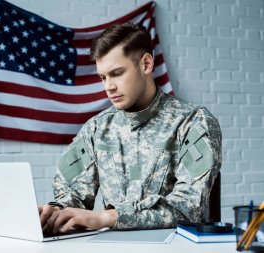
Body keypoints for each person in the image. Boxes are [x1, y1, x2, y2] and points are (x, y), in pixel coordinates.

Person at [39, 22, 222, 234]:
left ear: (146, 64)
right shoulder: (97, 128)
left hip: (176, 246)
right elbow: (72, 197)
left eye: (117, 73)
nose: (109, 86)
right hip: (112, 247)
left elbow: (188, 208)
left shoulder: (193, 122)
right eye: (103, 77)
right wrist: (53, 213)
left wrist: (108, 217)